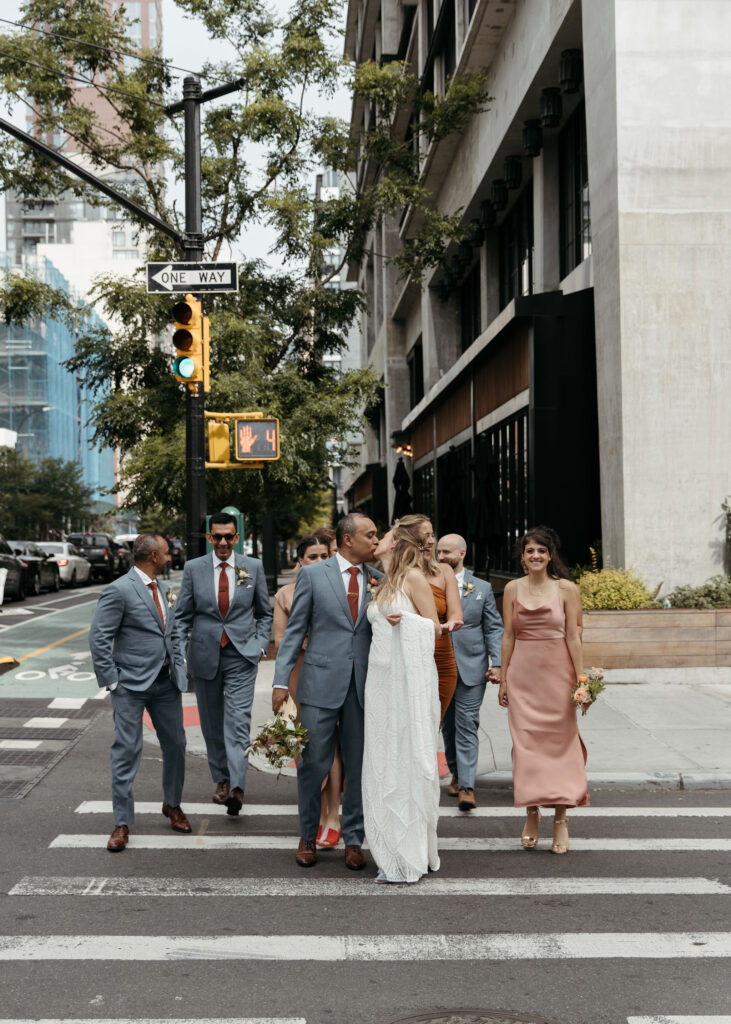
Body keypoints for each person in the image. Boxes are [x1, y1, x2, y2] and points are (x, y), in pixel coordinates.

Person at [272, 513, 381, 870]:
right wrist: (279, 682)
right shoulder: (313, 575)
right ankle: (307, 835)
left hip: (362, 687)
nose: (376, 541)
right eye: (370, 535)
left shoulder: (379, 579)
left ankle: (353, 838)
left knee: (358, 764)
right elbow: (293, 632)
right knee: (313, 763)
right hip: (318, 684)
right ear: (348, 540)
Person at [89, 533, 190, 852]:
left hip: (165, 682)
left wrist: (179, 663)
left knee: (176, 744)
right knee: (126, 750)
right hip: (130, 685)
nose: (170, 557)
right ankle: (121, 822)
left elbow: (171, 631)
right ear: (152, 556)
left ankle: (172, 804)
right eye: (166, 553)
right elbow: (98, 638)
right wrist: (113, 680)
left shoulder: (162, 588)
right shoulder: (119, 590)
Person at [172, 511, 272, 816]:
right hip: (204, 655)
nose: (224, 542)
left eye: (229, 536)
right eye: (217, 537)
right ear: (209, 538)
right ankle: (222, 778)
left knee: (238, 721)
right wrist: (179, 653)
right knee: (211, 723)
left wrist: (258, 645)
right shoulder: (193, 568)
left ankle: (238, 787)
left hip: (242, 655)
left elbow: (264, 613)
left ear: (237, 537)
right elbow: (180, 616)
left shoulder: (252, 567)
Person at [498, 525, 588, 854]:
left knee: (561, 748)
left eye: (541, 550)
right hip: (523, 677)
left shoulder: (566, 589)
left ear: (550, 556)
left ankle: (561, 821)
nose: (535, 555)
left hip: (558, 676)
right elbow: (508, 635)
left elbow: (573, 637)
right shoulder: (511, 589)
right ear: (522, 557)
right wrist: (504, 678)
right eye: (530, 550)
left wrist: (582, 681)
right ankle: (532, 813)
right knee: (527, 749)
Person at [362, 522, 443, 883]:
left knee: (404, 759)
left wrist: (406, 621)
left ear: (400, 544)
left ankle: (406, 853)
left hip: (405, 684)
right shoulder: (384, 581)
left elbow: (435, 627)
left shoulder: (413, 578)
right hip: (381, 682)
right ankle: (389, 845)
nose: (378, 540)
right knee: (383, 760)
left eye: (387, 536)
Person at [273, 533, 343, 848]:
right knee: (308, 749)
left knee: (335, 748)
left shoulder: (343, 589)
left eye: (324, 555)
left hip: (337, 674)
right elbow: (280, 640)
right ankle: (311, 816)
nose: (318, 561)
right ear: (300, 560)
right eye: (311, 556)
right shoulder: (285, 594)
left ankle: (333, 816)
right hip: (301, 675)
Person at [437, 533, 503, 811]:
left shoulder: (482, 588)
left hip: (471, 667)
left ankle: (466, 785)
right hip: (438, 667)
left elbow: (493, 628)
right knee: (448, 726)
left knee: (466, 723)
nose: (440, 557)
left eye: (446, 552)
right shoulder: (429, 583)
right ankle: (455, 771)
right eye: (438, 552)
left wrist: (496, 663)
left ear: (461, 554)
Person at [395, 515, 462, 721]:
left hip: (441, 657)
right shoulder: (396, 575)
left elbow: (456, 612)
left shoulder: (444, 570)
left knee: (433, 724)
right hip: (408, 659)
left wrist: (450, 624)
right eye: (426, 535)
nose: (432, 541)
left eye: (433, 535)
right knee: (412, 724)